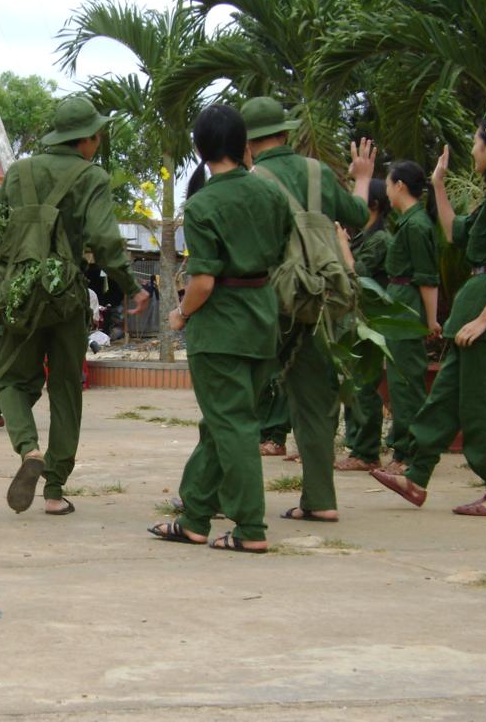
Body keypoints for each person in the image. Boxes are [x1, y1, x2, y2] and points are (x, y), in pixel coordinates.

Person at [0, 96, 149, 515]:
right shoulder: (92, 176)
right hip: (66, 295)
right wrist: (130, 286)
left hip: (20, 294)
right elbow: (104, 239)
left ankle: (29, 448)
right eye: (98, 135)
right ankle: (54, 491)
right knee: (66, 389)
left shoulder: (19, 172)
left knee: (10, 381)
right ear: (86, 138)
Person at [373, 117, 486, 517]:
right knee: (444, 399)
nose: (473, 148)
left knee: (482, 406)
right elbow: (454, 232)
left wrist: (484, 319)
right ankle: (416, 476)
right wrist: (439, 184)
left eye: (477, 141)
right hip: (475, 308)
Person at [148, 105, 292, 552]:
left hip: (221, 329)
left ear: (200, 149)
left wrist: (181, 314)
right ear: (244, 145)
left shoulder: (204, 203)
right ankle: (194, 518)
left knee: (232, 427)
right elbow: (282, 251)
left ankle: (250, 528)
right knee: (224, 422)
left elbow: (204, 282)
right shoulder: (270, 193)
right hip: (262, 320)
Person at [241, 96, 375, 523]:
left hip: (270, 303)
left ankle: (213, 497)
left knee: (235, 401)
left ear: (248, 143)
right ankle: (320, 500)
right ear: (286, 133)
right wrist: (362, 178)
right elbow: (357, 214)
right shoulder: (317, 172)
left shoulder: (252, 181)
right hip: (318, 301)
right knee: (314, 402)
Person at [380, 163, 441, 473]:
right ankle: (403, 450)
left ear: (400, 185)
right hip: (399, 307)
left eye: (388, 184)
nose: (386, 191)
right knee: (399, 382)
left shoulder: (416, 225)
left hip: (408, 309)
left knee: (407, 385)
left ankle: (410, 454)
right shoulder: (408, 222)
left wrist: (430, 320)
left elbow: (427, 278)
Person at [336, 178, 393, 472]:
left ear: (374, 204)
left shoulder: (380, 239)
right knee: (352, 383)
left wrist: (343, 246)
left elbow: (358, 273)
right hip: (353, 318)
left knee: (365, 386)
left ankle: (367, 451)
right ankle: (356, 446)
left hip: (371, 318)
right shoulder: (361, 236)